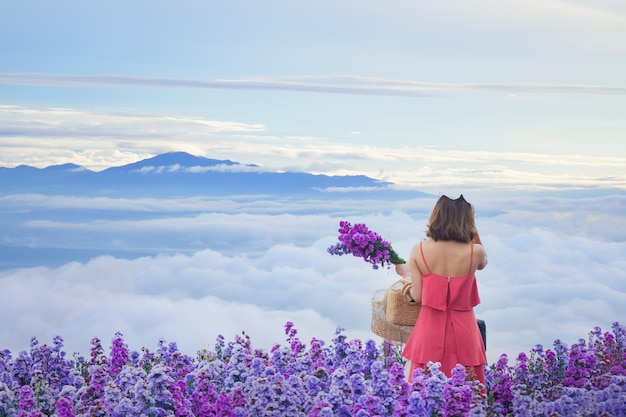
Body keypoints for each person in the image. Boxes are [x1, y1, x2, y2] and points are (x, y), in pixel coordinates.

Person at [396, 194, 488, 387]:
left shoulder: (419, 250)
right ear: (468, 219)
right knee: (467, 395)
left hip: (428, 332)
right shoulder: (475, 252)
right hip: (465, 335)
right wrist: (470, 226)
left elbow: (418, 296)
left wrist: (407, 280)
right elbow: (482, 261)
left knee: (424, 395)